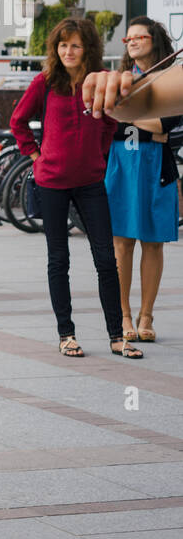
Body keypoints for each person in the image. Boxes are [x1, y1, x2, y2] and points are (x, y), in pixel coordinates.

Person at [11, 18, 127, 359]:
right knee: (58, 260)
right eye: (62, 45)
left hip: (92, 182)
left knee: (106, 260)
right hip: (52, 182)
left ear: (88, 48)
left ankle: (117, 336)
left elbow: (109, 123)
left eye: (75, 45)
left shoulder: (100, 84)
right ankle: (67, 334)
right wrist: (35, 154)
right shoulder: (45, 83)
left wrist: (100, 157)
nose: (68, 51)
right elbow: (17, 121)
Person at [106, 17, 179, 345]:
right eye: (128, 39)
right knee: (121, 242)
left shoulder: (169, 79)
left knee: (153, 242)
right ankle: (122, 314)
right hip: (121, 166)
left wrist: (127, 115)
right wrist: (142, 121)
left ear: (156, 40)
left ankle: (146, 315)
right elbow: (109, 123)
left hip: (155, 169)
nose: (132, 42)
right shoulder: (121, 81)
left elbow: (168, 123)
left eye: (139, 37)